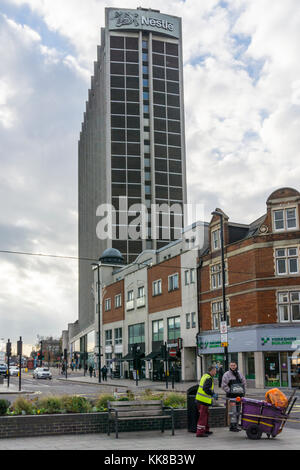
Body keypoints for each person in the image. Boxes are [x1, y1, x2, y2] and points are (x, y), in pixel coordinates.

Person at [222, 362, 247, 432]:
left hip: (239, 397)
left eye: (234, 365)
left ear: (236, 366)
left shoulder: (240, 374)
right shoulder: (226, 375)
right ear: (229, 366)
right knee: (233, 412)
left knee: (238, 411)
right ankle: (232, 426)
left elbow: (244, 383)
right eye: (231, 365)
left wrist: (244, 391)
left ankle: (236, 425)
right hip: (231, 397)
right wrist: (231, 391)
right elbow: (223, 385)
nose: (233, 366)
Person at [195, 365, 218, 437]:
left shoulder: (205, 376)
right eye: (215, 371)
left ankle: (206, 430)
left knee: (205, 415)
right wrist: (213, 394)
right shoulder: (208, 378)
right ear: (212, 371)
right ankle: (200, 432)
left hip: (200, 400)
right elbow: (206, 389)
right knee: (203, 416)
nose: (216, 372)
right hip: (203, 401)